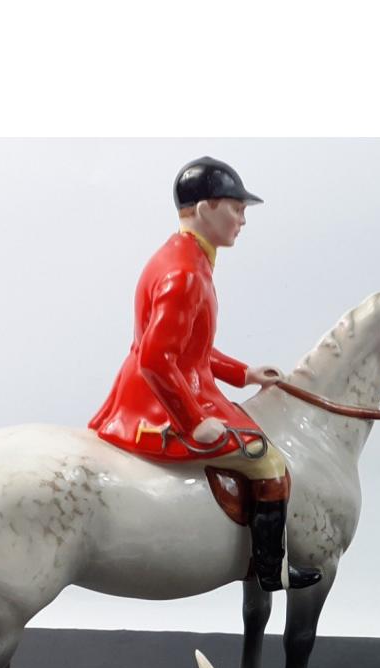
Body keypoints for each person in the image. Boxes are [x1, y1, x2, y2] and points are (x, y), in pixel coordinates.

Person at [90, 157, 321, 591]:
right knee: (268, 462)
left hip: (168, 389)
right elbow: (156, 359)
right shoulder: (185, 273)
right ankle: (270, 571)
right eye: (236, 208)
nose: (243, 220)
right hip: (160, 405)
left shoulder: (185, 258)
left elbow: (190, 347)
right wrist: (194, 422)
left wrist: (244, 373)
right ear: (204, 208)